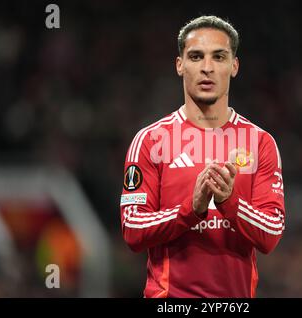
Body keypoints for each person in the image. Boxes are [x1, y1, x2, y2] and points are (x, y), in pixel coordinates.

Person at [120, 15, 285, 298]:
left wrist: (227, 201)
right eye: (196, 56)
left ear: (234, 66)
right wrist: (191, 210)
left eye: (218, 57)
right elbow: (133, 229)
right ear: (180, 65)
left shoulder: (259, 142)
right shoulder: (150, 140)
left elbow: (271, 234)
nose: (207, 68)